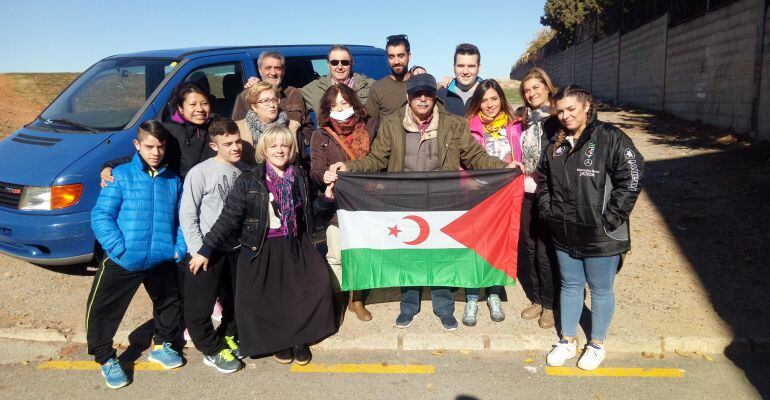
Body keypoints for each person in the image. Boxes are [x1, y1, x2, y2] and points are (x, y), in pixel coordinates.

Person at [327, 74, 522, 331]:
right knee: (409, 254)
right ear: (408, 96)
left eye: (427, 94)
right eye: (417, 94)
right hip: (404, 201)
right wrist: (349, 168)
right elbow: (376, 159)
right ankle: (408, 306)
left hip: (442, 201)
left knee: (440, 255)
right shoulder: (391, 124)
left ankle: (444, 307)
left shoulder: (453, 124)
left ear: (434, 97)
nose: (422, 98)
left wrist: (504, 167)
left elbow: (475, 156)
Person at [189, 125, 336, 365]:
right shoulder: (250, 179)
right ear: (265, 150)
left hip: (295, 243)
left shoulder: (299, 175)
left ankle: (300, 339)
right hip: (263, 246)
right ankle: (280, 342)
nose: (279, 150)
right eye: (274, 146)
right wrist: (206, 249)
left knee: (312, 287)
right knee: (271, 299)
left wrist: (327, 199)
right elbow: (229, 218)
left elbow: (309, 213)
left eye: (285, 146)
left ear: (291, 150)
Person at [538, 85, 644, 371]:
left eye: (571, 108)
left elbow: (632, 178)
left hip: (602, 236)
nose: (565, 115)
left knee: (600, 290)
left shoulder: (611, 138)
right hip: (564, 232)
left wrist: (610, 219)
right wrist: (549, 213)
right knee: (570, 286)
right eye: (560, 110)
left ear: (586, 106)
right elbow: (543, 182)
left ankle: (596, 344)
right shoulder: (556, 145)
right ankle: (567, 340)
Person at [86, 120, 187, 389]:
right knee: (104, 310)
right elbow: (101, 215)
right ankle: (106, 358)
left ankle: (160, 345)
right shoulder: (119, 175)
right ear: (137, 145)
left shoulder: (172, 179)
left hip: (161, 257)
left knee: (170, 304)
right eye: (150, 146)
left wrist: (178, 249)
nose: (156, 152)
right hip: (124, 258)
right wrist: (118, 248)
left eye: (161, 147)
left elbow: (180, 219)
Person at [179, 117, 245, 374]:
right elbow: (187, 214)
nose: (235, 147)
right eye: (228, 143)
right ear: (214, 145)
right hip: (206, 252)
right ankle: (211, 349)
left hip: (236, 251)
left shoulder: (244, 171)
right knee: (199, 307)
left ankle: (228, 335)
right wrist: (197, 250)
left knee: (235, 300)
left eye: (238, 141)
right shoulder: (200, 173)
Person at [310, 84, 377, 323]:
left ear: (353, 104)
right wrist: (323, 176)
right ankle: (337, 299)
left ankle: (356, 299)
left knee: (360, 255)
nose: (340, 108)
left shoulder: (367, 128)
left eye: (344, 103)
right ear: (328, 109)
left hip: (363, 204)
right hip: (336, 206)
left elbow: (376, 161)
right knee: (336, 255)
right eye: (334, 105)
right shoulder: (321, 134)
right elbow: (315, 169)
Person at [460, 79, 524, 327]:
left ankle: (494, 294)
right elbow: (461, 162)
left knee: (499, 246)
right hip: (478, 196)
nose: (489, 105)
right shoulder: (468, 126)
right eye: (484, 100)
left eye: (494, 99)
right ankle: (472, 296)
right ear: (477, 102)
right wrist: (471, 184)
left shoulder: (515, 125)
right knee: (476, 248)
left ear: (501, 99)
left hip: (506, 196)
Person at [517, 67, 561, 329]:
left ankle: (550, 302)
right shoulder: (526, 120)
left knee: (546, 252)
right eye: (526, 90)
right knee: (530, 247)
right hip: (525, 193)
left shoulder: (556, 120)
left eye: (536, 87)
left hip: (548, 193)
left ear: (547, 88)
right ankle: (536, 298)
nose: (531, 93)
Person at [232, 51, 309, 124]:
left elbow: (307, 125)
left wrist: (300, 137)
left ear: (283, 71)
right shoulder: (245, 96)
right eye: (268, 68)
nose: (273, 73)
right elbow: (238, 128)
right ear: (260, 70)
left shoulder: (294, 94)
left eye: (277, 68)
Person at [235, 81, 301, 167]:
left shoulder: (292, 127)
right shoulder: (239, 129)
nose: (272, 105)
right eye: (266, 101)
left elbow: (298, 162)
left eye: (274, 100)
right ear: (254, 107)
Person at [301, 45, 374, 115]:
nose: (339, 67)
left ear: (352, 63)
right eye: (334, 63)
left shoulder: (369, 86)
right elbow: (294, 97)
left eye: (344, 62)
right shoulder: (316, 88)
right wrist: (296, 119)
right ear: (328, 64)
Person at [365, 34, 412, 122]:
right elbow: (370, 124)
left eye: (400, 56)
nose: (396, 61)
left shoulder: (419, 85)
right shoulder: (378, 88)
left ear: (409, 56)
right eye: (391, 57)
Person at [437, 44, 483, 116]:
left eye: (471, 66)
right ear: (454, 67)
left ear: (478, 68)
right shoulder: (441, 95)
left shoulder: (488, 94)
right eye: (461, 66)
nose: (465, 72)